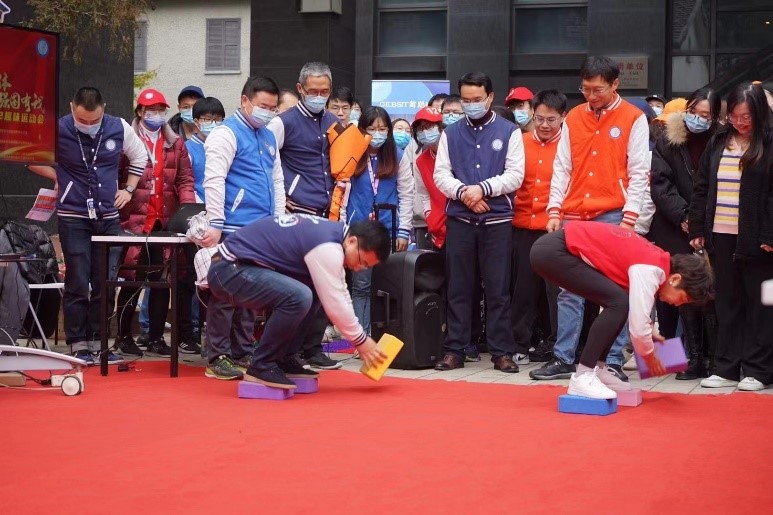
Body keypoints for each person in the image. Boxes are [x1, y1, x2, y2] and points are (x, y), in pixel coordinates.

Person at [530, 56, 650, 384]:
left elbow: (640, 171)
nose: (591, 96)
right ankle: (563, 357)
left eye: (598, 89)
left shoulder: (634, 118)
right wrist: (554, 210)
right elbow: (562, 166)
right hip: (574, 213)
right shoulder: (574, 117)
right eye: (585, 89)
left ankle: (612, 361)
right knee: (569, 289)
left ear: (615, 84)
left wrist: (630, 219)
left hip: (614, 212)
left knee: (617, 289)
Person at [27, 86, 147, 364]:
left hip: (108, 217)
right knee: (78, 280)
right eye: (82, 120)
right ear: (72, 108)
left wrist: (128, 190)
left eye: (94, 120)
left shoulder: (119, 127)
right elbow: (30, 157)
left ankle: (100, 343)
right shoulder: (57, 128)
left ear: (103, 109)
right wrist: (57, 177)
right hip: (73, 216)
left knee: (105, 282)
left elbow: (140, 157)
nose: (89, 125)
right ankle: (78, 343)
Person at [530, 222, 713, 399]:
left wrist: (649, 337)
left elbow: (637, 316)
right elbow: (638, 330)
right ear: (675, 279)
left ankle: (598, 369)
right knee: (619, 303)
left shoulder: (655, 262)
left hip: (555, 249)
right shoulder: (650, 269)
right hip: (554, 251)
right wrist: (650, 357)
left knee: (620, 304)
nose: (678, 304)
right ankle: (583, 375)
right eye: (683, 298)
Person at [207, 216, 391, 388]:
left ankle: (284, 358)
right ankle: (262, 365)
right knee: (299, 296)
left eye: (366, 267)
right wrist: (361, 340)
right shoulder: (328, 246)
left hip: (240, 267)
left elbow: (340, 295)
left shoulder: (332, 236)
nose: (359, 268)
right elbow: (336, 303)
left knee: (313, 291)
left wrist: (359, 338)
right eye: (362, 261)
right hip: (227, 269)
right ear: (352, 241)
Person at [433, 71, 525, 373]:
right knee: (458, 287)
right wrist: (465, 193)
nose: (471, 104)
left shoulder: (510, 132)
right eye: (466, 100)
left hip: (497, 221)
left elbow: (515, 175)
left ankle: (501, 351)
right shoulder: (450, 133)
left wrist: (483, 189)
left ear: (490, 97)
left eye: (477, 99)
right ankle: (455, 349)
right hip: (460, 219)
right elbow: (441, 174)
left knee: (498, 289)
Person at [200, 75, 286, 380]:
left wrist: (278, 221)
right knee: (225, 294)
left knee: (253, 294)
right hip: (233, 226)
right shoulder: (225, 134)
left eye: (273, 108)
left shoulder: (268, 136)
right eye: (263, 106)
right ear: (245, 101)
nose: (268, 112)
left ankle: (242, 350)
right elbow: (214, 179)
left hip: (261, 228)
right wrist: (216, 223)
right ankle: (217, 356)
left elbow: (277, 180)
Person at [689, 82, 773, 392]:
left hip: (758, 239)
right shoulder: (719, 141)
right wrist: (697, 227)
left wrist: (769, 233)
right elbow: (702, 187)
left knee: (761, 304)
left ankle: (758, 369)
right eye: (734, 117)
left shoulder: (769, 142)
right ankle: (725, 367)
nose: (740, 123)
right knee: (726, 302)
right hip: (721, 235)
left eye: (746, 117)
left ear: (760, 113)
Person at [267, 61, 344, 370]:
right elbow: (266, 164)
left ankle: (311, 349)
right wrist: (279, 199)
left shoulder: (334, 122)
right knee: (296, 288)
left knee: (325, 286)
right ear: (300, 89)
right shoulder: (282, 123)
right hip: (297, 214)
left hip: (328, 214)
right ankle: (285, 353)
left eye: (324, 91)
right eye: (313, 91)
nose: (319, 96)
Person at [114, 88, 198, 357]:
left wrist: (187, 210)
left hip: (164, 219)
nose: (157, 115)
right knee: (131, 278)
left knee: (162, 280)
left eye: (162, 110)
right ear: (140, 111)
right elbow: (116, 175)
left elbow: (185, 179)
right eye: (152, 110)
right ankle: (123, 336)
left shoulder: (175, 142)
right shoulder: (127, 138)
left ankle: (155, 338)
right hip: (134, 218)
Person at [650, 87, 721, 379]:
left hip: (709, 227)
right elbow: (660, 184)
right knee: (668, 297)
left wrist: (700, 220)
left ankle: (710, 360)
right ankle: (670, 362)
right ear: (687, 109)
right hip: (672, 226)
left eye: (706, 115)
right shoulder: (667, 139)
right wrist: (684, 216)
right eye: (695, 112)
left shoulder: (720, 141)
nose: (699, 119)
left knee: (707, 295)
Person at [510, 90, 566, 366]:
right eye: (539, 118)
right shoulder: (518, 142)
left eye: (551, 120)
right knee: (523, 289)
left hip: (554, 228)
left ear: (563, 117)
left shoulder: (569, 146)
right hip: (521, 224)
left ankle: (558, 346)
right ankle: (519, 344)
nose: (544, 125)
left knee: (556, 292)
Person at [348, 106, 414, 333]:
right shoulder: (352, 153)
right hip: (359, 231)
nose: (377, 134)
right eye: (372, 129)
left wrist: (403, 230)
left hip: (389, 229)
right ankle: (361, 337)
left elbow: (406, 194)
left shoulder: (397, 155)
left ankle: (388, 336)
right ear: (362, 130)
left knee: (389, 285)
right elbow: (342, 192)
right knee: (361, 286)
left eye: (383, 129)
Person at [186, 96, 226, 203]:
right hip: (200, 206)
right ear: (196, 122)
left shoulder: (227, 146)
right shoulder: (187, 149)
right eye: (207, 119)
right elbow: (184, 184)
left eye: (217, 119)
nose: (213, 123)